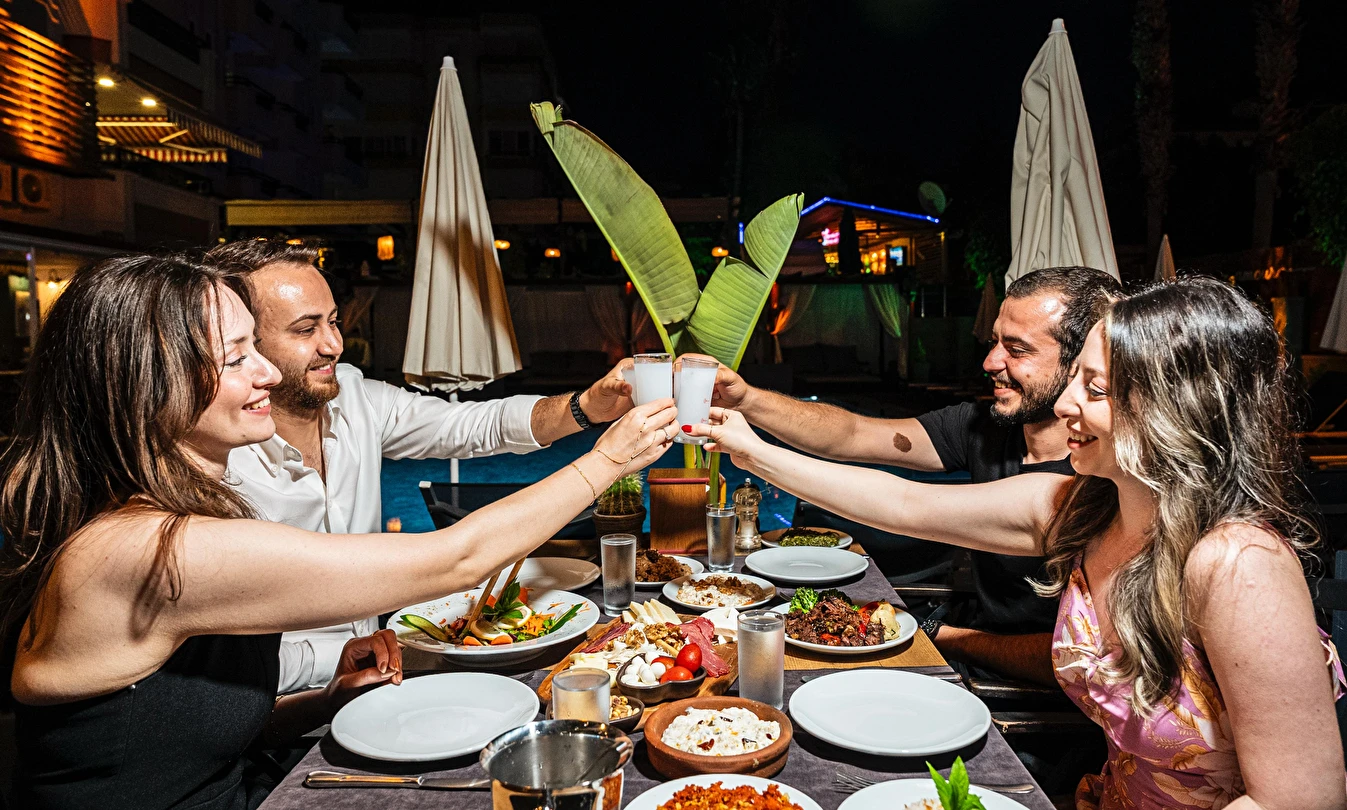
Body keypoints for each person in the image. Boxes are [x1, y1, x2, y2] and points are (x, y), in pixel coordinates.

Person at [0, 253, 677, 810]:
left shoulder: (163, 520)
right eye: (237, 356)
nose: (268, 372)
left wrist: (321, 702)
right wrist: (609, 460)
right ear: (148, 383)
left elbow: (177, 737)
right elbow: (456, 559)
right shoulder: (145, 549)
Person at [691, 277, 1346, 808]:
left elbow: (1300, 798)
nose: (1064, 406)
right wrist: (749, 448)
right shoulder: (1085, 508)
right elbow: (903, 504)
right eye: (1074, 381)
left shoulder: (1239, 564)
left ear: (1175, 406)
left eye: (1094, 389)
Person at [204, 238, 637, 694]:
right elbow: (217, 659)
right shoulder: (213, 465)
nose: (333, 345)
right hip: (282, 704)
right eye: (305, 329)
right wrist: (336, 661)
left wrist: (586, 406)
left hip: (383, 673)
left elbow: (476, 425)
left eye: (333, 321)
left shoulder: (355, 396)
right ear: (245, 344)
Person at [706, 266, 1121, 685]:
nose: (990, 361)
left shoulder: (1102, 486)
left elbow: (904, 505)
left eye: (1017, 349)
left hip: (1024, 695)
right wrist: (748, 400)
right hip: (973, 658)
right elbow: (853, 434)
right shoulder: (985, 427)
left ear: (1079, 366)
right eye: (994, 342)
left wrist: (945, 636)